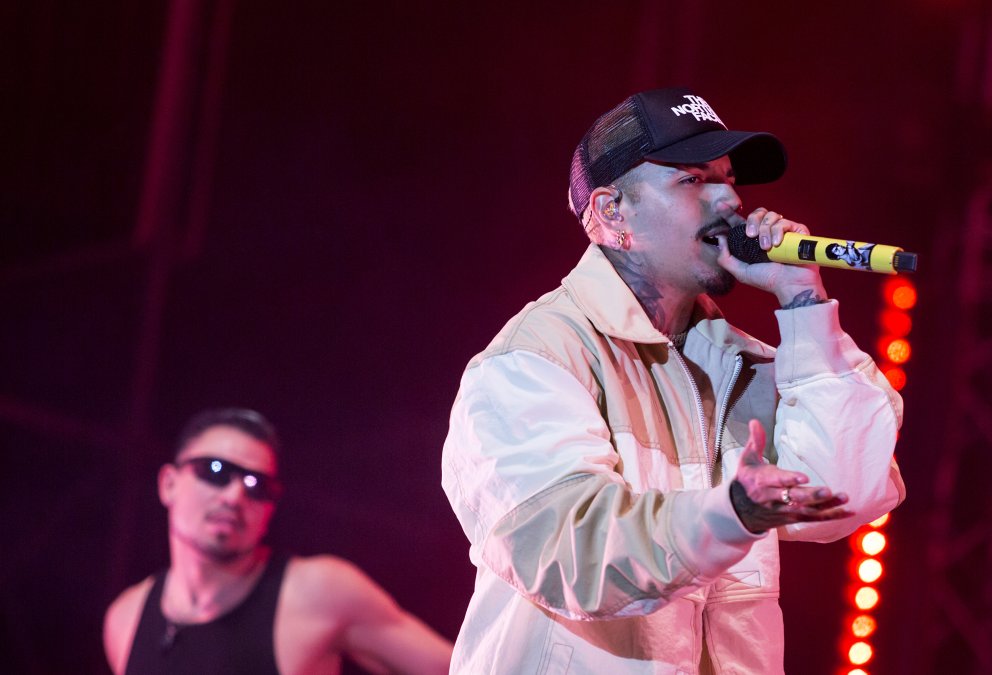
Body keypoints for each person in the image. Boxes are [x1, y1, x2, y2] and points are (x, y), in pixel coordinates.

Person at [441, 87, 907, 673]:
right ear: (613, 214)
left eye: (728, 177)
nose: (730, 201)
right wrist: (729, 513)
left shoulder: (744, 365)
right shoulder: (532, 362)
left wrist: (803, 301)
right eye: (692, 180)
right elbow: (577, 557)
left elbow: (848, 492)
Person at [104, 408, 452, 674]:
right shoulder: (126, 617)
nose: (235, 495)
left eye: (258, 486)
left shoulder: (317, 592)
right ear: (169, 483)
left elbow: (471, 666)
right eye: (216, 471)